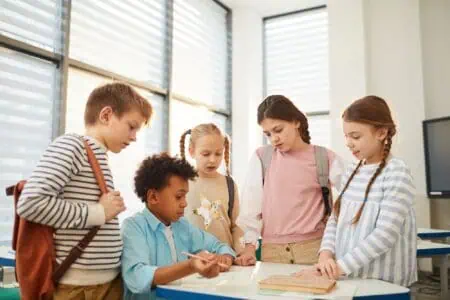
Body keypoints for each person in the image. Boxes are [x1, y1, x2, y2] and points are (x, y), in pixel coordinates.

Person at [17, 82, 152, 299]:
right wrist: (98, 212)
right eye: (131, 126)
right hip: (79, 289)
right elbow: (31, 203)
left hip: (106, 283)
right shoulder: (72, 145)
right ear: (106, 115)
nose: (135, 136)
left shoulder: (99, 155)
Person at [316, 95, 417, 287]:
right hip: (349, 278)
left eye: (356, 136)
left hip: (384, 283)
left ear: (381, 133)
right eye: (346, 136)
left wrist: (339, 267)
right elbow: (335, 220)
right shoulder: (351, 171)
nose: (349, 143)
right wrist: (325, 255)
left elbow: (385, 235)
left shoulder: (396, 172)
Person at [236, 95, 343, 266]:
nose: (274, 139)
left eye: (278, 130)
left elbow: (354, 199)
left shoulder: (325, 158)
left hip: (314, 250)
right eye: (268, 134)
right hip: (272, 252)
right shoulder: (262, 157)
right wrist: (250, 248)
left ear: (296, 122)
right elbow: (251, 207)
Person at [121, 153, 236, 299]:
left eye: (185, 196)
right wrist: (190, 266)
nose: (185, 203)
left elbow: (217, 245)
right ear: (153, 197)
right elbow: (137, 278)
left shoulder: (182, 226)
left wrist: (224, 257)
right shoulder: (133, 228)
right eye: (178, 197)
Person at [179, 123, 255, 266]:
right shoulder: (180, 183)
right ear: (191, 151)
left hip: (225, 262)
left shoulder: (229, 184)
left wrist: (240, 252)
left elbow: (236, 226)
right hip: (190, 263)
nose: (213, 160)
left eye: (218, 153)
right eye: (206, 154)